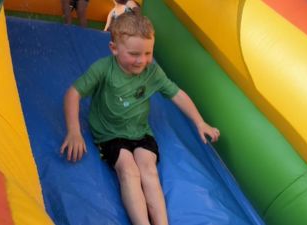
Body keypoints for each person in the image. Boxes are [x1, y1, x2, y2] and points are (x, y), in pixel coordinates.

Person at [60, 12, 220, 225]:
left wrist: (200, 122)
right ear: (114, 49)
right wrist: (74, 131)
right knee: (128, 169)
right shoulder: (104, 69)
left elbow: (177, 94)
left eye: (148, 53)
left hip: (141, 132)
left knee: (148, 170)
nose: (142, 60)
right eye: (134, 54)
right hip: (110, 134)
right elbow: (73, 93)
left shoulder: (152, 72)